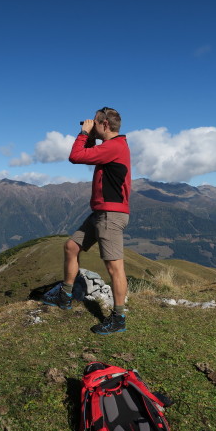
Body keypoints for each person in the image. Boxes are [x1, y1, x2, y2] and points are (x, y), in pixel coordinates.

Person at [43, 107, 131, 335]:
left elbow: (76, 156)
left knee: (114, 268)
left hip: (110, 216)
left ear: (105, 125)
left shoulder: (114, 146)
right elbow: (89, 153)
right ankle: (66, 295)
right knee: (71, 246)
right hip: (101, 213)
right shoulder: (112, 147)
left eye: (96, 124)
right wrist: (91, 136)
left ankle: (118, 317)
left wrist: (83, 134)